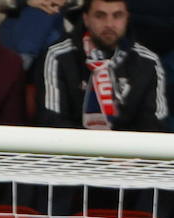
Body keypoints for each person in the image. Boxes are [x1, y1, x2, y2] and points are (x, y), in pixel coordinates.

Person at [35, 0, 167, 132]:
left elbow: (154, 126)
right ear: (86, 19)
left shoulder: (148, 62)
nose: (109, 24)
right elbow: (51, 121)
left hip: (129, 150)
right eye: (100, 16)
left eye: (117, 16)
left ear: (127, 18)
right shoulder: (58, 56)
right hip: (70, 150)